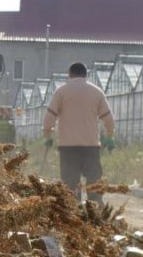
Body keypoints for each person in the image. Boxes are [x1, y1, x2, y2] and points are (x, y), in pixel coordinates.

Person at [42, 62, 116, 205]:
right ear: (85, 74)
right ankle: (95, 211)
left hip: (68, 148)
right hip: (91, 147)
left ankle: (74, 214)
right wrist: (109, 136)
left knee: (70, 185)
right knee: (94, 182)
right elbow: (108, 118)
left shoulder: (61, 92)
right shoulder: (96, 92)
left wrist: (47, 135)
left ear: (70, 74)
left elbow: (50, 116)